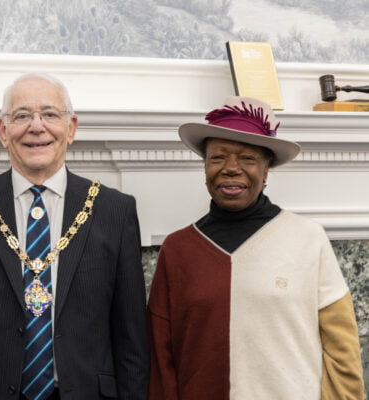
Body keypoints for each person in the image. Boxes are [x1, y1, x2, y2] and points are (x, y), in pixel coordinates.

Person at [0, 73, 149, 399]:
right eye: (22, 116)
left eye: (50, 114)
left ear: (72, 128)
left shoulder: (114, 211)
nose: (37, 126)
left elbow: (132, 339)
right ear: (3, 131)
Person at [147, 96, 365, 399]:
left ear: (266, 171)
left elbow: (342, 349)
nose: (231, 168)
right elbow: (161, 356)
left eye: (248, 159)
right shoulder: (178, 249)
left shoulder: (307, 238)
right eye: (218, 158)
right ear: (205, 168)